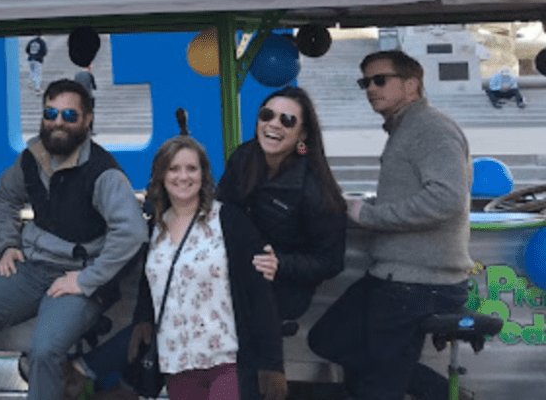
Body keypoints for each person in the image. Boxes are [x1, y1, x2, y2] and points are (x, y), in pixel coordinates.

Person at [0, 79, 148, 400]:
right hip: (32, 269)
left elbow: (132, 231)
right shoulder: (32, 158)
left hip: (77, 277)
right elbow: (5, 198)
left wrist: (89, 279)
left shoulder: (103, 172)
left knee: (44, 350)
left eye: (69, 115)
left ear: (87, 120)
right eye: (51, 113)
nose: (58, 122)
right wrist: (7, 244)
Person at [307, 50, 473, 400]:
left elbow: (447, 199)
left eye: (380, 80)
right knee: (328, 338)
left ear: (411, 85)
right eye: (364, 81)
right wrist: (356, 206)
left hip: (418, 283)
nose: (370, 88)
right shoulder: (406, 128)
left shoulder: (430, 128)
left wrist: (369, 216)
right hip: (394, 277)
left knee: (378, 386)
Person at [129, 136, 285, 400]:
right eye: (174, 168)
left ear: (203, 174)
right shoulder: (156, 228)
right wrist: (141, 321)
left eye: (192, 168)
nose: (183, 176)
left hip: (227, 360)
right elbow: (150, 284)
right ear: (161, 175)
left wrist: (272, 364)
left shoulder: (229, 221)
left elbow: (259, 294)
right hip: (177, 361)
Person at [215, 86, 346, 325]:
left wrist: (280, 264)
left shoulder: (315, 190)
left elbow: (331, 262)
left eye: (287, 120)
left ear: (302, 134)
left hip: (284, 287)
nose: (273, 124)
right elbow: (222, 208)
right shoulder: (243, 157)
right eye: (267, 115)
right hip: (236, 273)